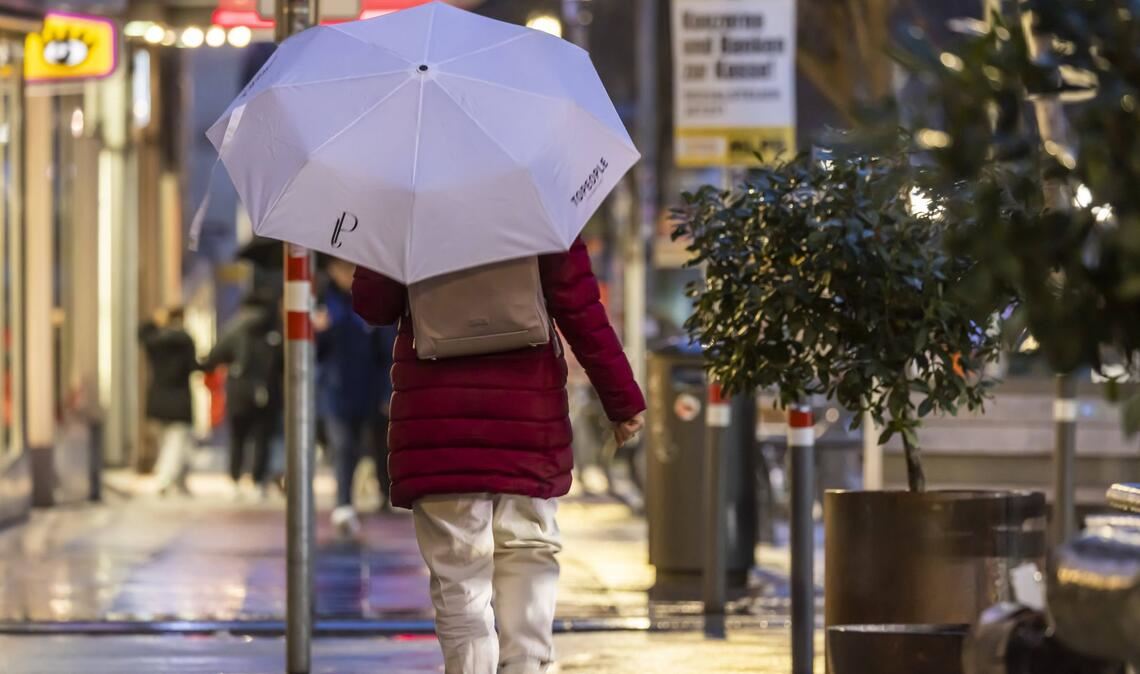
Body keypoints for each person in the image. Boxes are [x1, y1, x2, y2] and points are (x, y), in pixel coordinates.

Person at [351, 239, 646, 674]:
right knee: (529, 549)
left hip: (439, 423)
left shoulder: (405, 201)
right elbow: (578, 303)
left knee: (460, 581)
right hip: (528, 415)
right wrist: (621, 400)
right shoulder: (538, 192)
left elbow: (373, 304)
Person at [315, 258, 391, 536]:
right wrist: (318, 331)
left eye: (349, 268)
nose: (345, 275)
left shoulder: (371, 304)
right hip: (335, 392)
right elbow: (316, 353)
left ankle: (377, 494)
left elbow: (385, 352)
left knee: (364, 448)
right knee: (344, 445)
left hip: (366, 391)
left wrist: (386, 391)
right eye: (339, 269)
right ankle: (343, 503)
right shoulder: (325, 302)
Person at [202, 288, 284, 499]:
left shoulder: (234, 329)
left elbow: (214, 357)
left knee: (238, 437)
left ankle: (234, 479)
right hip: (267, 392)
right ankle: (257, 480)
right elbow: (284, 364)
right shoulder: (275, 331)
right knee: (262, 438)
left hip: (239, 391)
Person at [138, 306, 199, 496]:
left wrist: (156, 320)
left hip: (157, 398)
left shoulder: (156, 340)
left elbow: (141, 332)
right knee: (176, 443)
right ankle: (165, 479)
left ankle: (178, 480)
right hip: (179, 400)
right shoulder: (186, 340)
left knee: (169, 442)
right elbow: (193, 366)